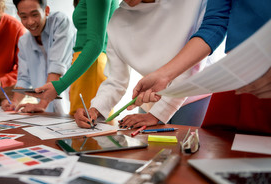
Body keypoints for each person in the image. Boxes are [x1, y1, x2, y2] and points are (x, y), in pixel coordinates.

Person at [132, 0, 271, 134]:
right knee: (220, 146)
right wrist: (163, 75)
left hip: (262, 72)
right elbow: (214, 25)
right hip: (239, 76)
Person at [74, 0, 210, 129]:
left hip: (195, 95)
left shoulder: (190, 4)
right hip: (150, 101)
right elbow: (115, 81)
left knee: (188, 150)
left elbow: (195, 62)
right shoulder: (117, 22)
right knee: (149, 150)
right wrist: (94, 110)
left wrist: (157, 114)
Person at [25, 0, 119, 115]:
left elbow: (95, 44)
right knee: (78, 120)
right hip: (84, 63)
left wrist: (60, 85)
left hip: (92, 64)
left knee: (90, 123)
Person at [2, 0, 75, 114]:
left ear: (46, 11)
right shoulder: (24, 41)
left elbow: (57, 65)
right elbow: (24, 78)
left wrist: (42, 104)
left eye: (35, 15)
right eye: (24, 17)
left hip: (72, 98)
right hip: (47, 111)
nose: (30, 22)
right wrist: (14, 102)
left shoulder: (60, 21)